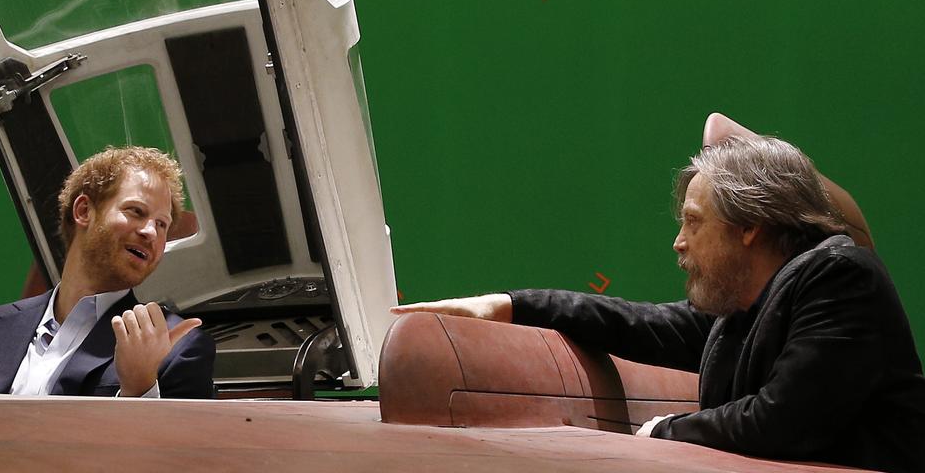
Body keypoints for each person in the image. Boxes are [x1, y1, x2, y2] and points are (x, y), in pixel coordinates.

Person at [393, 135, 925, 473]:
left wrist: (659, 432)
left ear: (749, 228)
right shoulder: (745, 307)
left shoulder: (840, 276)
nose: (678, 241)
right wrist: (508, 306)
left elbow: (782, 422)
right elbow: (637, 323)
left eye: (694, 222)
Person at [0, 146, 215, 398]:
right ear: (83, 211)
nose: (151, 232)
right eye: (136, 211)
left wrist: (139, 390)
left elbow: (175, 442)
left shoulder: (177, 346)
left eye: (162, 224)